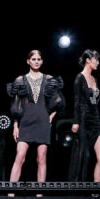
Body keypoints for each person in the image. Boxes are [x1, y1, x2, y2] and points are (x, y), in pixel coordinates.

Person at [7, 50, 64, 183]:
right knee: (20, 157)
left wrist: (51, 116)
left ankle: (40, 193)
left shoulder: (49, 79)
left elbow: (59, 101)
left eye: (39, 59)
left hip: (42, 121)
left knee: (41, 158)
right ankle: (11, 192)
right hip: (25, 121)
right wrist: (15, 125)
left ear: (42, 61)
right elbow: (16, 105)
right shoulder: (20, 80)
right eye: (33, 59)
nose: (36, 62)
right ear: (28, 61)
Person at [67, 49, 100, 182]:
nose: (98, 62)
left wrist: (99, 123)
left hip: (95, 121)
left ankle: (97, 188)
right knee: (83, 156)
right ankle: (78, 188)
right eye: (96, 59)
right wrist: (75, 121)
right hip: (83, 120)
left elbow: (96, 104)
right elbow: (76, 101)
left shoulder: (94, 79)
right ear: (88, 60)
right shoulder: (80, 78)